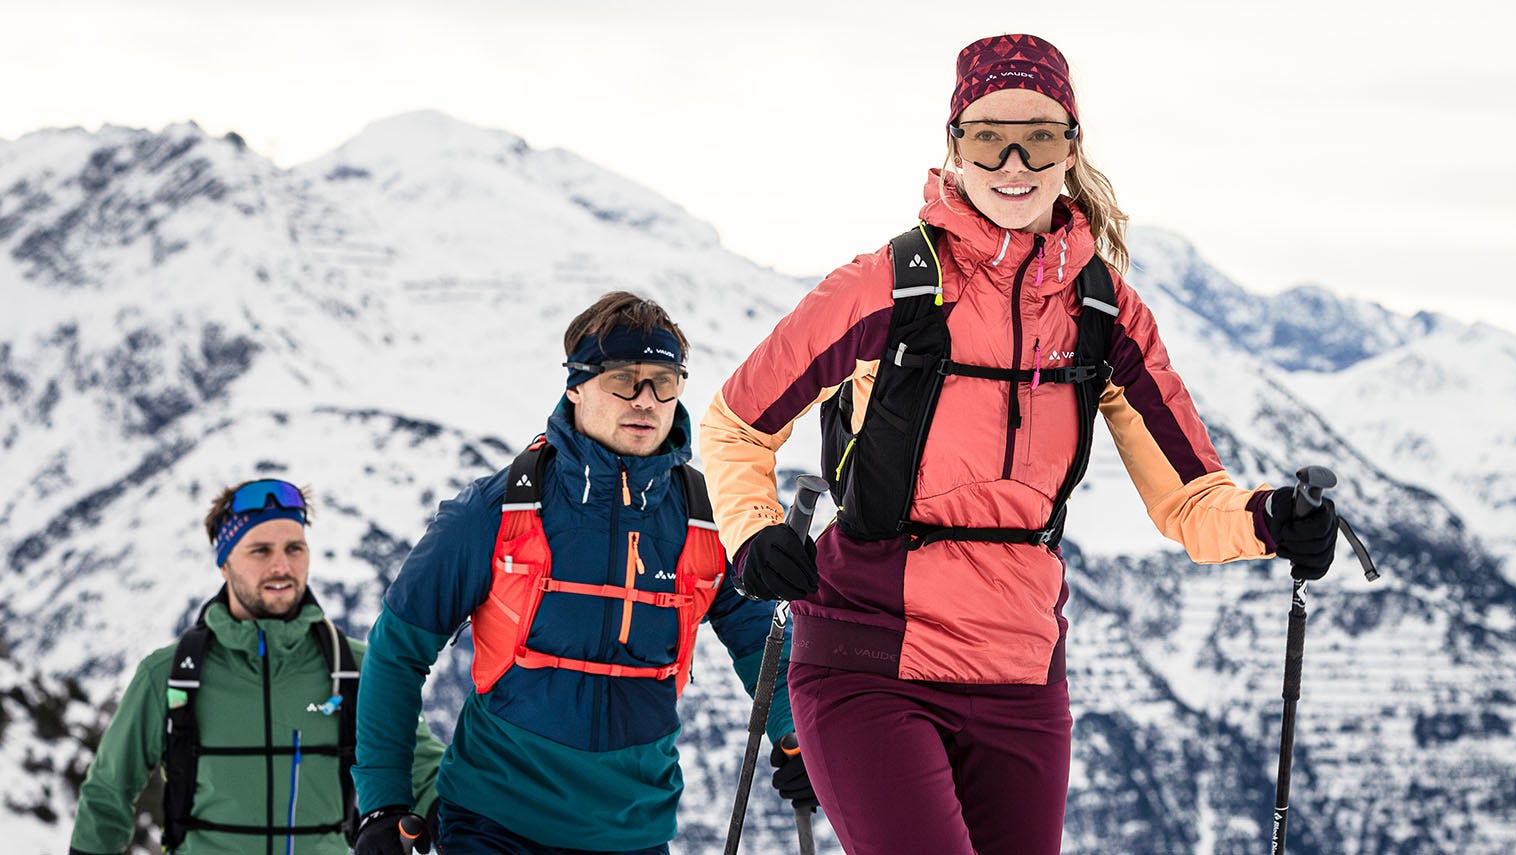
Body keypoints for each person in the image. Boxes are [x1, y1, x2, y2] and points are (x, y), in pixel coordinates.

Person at [699, 33, 1340, 854]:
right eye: (987, 134)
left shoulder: (1107, 317)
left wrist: (1271, 519)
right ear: (953, 146)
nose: (1014, 159)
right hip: (868, 658)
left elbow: (1189, 498)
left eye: (1038, 136)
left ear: (1071, 148)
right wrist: (753, 529)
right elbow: (736, 421)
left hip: (1022, 675)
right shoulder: (884, 286)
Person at [351, 293, 814, 855]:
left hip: (633, 832)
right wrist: (383, 800)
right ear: (575, 385)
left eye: (664, 382)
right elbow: (397, 649)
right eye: (624, 379)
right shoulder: (496, 512)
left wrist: (802, 739)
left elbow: (763, 645)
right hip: (493, 824)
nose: (645, 400)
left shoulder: (705, 517)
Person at [69, 479, 444, 855]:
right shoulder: (169, 675)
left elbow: (424, 770)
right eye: (260, 551)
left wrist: (461, 820)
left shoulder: (359, 670)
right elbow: (108, 793)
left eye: (294, 548)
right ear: (225, 563)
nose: (282, 566)